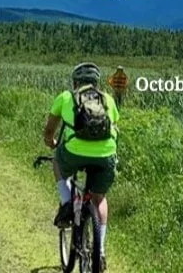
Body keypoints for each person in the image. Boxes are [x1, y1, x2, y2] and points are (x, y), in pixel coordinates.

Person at [43, 62, 119, 271]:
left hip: (74, 153)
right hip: (105, 155)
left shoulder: (66, 97)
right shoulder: (108, 100)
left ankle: (67, 201)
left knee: (57, 161)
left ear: (75, 82)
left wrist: (51, 142)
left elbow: (50, 130)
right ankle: (100, 250)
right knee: (99, 198)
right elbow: (114, 125)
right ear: (97, 82)